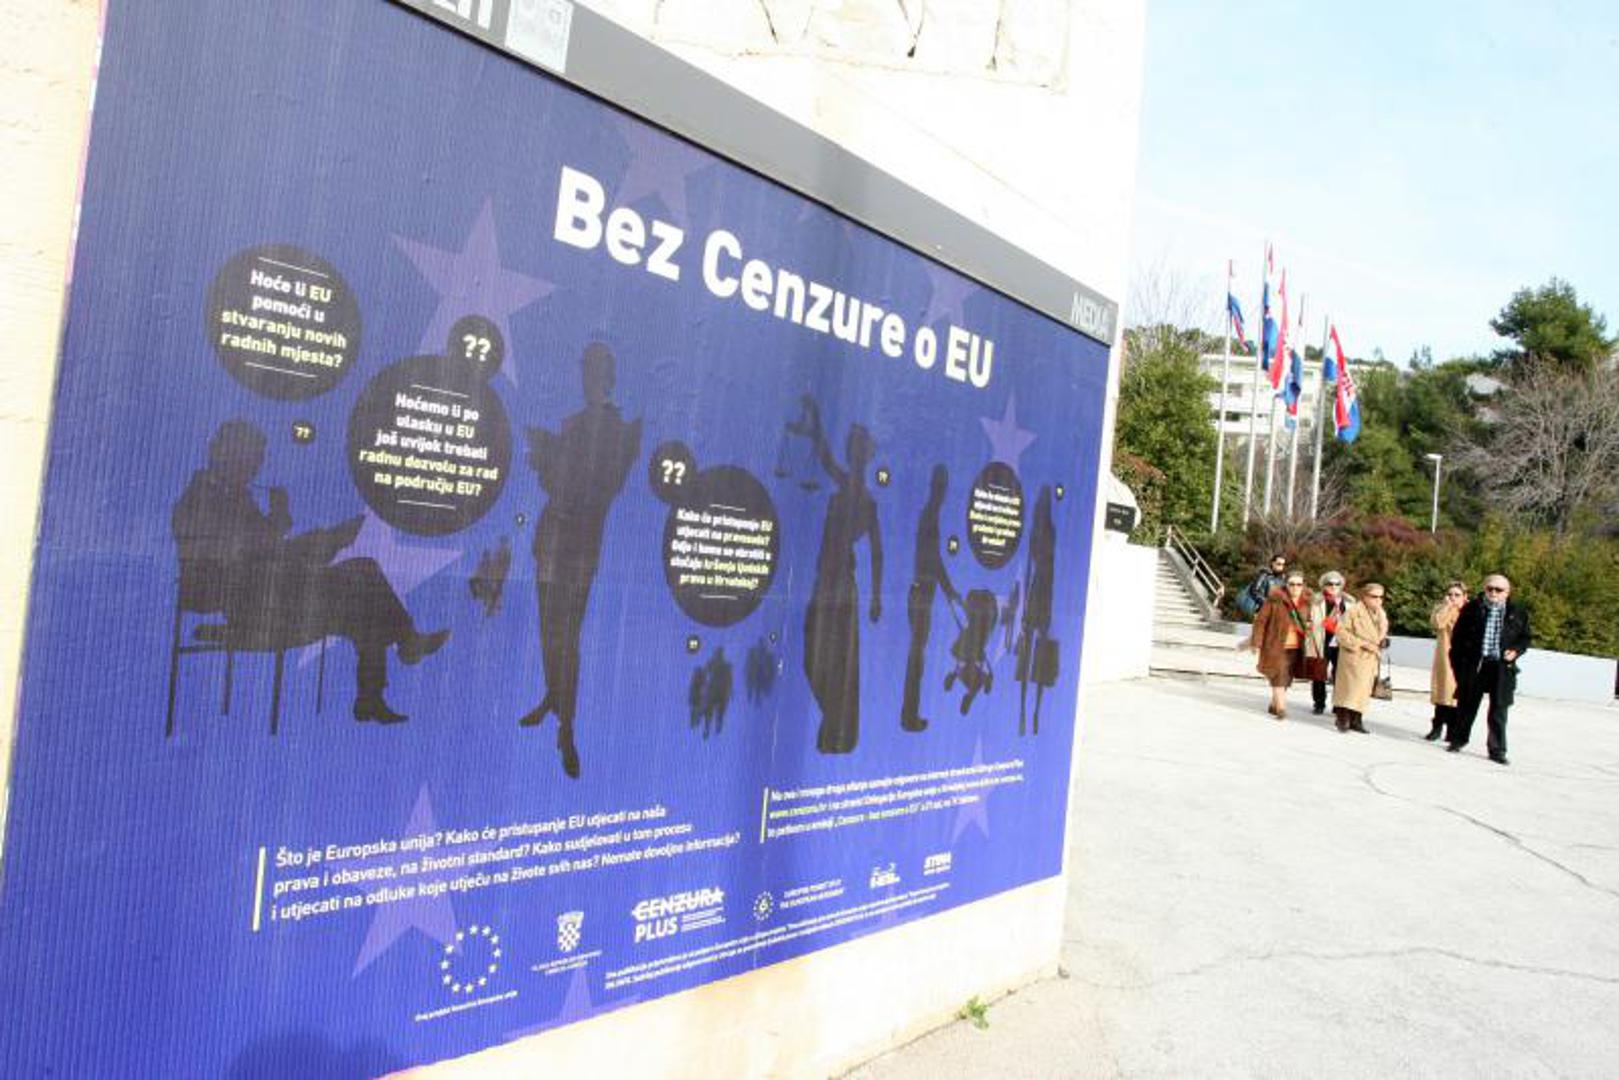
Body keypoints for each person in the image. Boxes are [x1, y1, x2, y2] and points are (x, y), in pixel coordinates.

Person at [172, 421, 448, 724]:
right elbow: (253, 557)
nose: (254, 468)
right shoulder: (203, 499)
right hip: (254, 608)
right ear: (225, 453)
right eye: (250, 459)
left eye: (256, 460)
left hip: (271, 595)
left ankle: (374, 693)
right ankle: (391, 666)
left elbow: (268, 552)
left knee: (364, 590)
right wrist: (300, 528)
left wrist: (324, 539)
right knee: (363, 583)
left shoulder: (234, 497)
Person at [519, 343, 643, 779]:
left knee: (567, 637)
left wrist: (549, 463)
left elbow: (597, 490)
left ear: (608, 377)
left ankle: (566, 728)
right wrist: (545, 459)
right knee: (547, 629)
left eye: (595, 371)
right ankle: (553, 697)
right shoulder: (572, 423)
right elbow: (560, 482)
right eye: (585, 370)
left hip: (579, 546)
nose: (588, 378)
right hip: (551, 538)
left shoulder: (620, 431)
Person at [800, 396, 882, 754]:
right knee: (817, 659)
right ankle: (834, 722)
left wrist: (876, 597)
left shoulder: (861, 496)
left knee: (832, 660)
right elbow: (822, 454)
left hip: (840, 584)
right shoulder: (848, 485)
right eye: (850, 446)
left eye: (854, 447)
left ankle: (835, 726)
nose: (849, 452)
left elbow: (877, 553)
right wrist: (816, 417)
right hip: (828, 580)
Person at [900, 465, 961, 733]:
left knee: (918, 657)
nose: (943, 492)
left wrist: (947, 591)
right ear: (936, 487)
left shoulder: (930, 514)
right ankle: (909, 715)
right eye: (941, 485)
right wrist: (949, 591)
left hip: (923, 593)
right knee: (917, 658)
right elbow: (933, 560)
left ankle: (909, 713)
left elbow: (933, 560)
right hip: (921, 594)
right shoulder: (929, 515)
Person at [1447, 574, 1531, 765]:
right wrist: (1460, 665)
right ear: (1484, 589)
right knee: (1467, 704)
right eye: (1489, 589)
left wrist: (1515, 651)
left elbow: (1525, 638)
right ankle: (1458, 740)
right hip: (1476, 664)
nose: (1493, 593)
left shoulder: (1517, 612)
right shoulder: (1472, 609)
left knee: (1499, 710)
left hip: (1501, 666)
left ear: (1507, 592)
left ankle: (1497, 750)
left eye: (1498, 590)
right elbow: (1457, 638)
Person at [1247, 570, 1312, 719]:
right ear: (1286, 584)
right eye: (1292, 584)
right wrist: (1256, 642)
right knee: (1279, 676)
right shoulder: (1275, 599)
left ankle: (1274, 703)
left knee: (1286, 678)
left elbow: (1311, 621)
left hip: (1297, 647)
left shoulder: (1307, 602)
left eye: (1299, 584)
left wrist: (1309, 626)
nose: (1295, 587)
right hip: (1276, 645)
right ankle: (1281, 709)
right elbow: (1261, 621)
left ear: (1303, 585)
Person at [1332, 583, 1389, 733]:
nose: (1378, 600)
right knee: (1349, 688)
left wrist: (1383, 640)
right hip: (1354, 655)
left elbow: (1379, 633)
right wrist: (1362, 644)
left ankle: (1357, 719)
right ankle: (1342, 718)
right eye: (1374, 596)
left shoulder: (1381, 614)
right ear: (1365, 596)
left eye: (1381, 597)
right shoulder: (1353, 611)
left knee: (1364, 689)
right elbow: (1341, 632)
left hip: (1371, 657)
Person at [1306, 571, 1353, 715]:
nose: (1333, 586)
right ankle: (1319, 703)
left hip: (1341, 642)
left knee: (1340, 675)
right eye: (1329, 583)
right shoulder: (1316, 601)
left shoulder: (1349, 602)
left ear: (1341, 585)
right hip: (1321, 640)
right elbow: (1307, 620)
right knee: (1318, 674)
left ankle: (1338, 704)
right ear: (1323, 585)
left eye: (1337, 584)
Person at [1427, 581, 1467, 741]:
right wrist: (1447, 608)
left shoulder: (1469, 611)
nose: (1453, 598)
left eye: (1457, 595)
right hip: (1444, 657)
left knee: (1456, 695)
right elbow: (1437, 623)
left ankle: (1452, 730)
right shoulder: (1441, 608)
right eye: (1450, 594)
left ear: (1464, 597)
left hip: (1462, 658)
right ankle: (1436, 727)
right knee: (1442, 693)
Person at [1239, 553, 1289, 618]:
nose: (1281, 567)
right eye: (1278, 564)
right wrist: (1267, 602)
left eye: (1282, 565)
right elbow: (1254, 591)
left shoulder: (1283, 579)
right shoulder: (1264, 576)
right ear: (1273, 563)